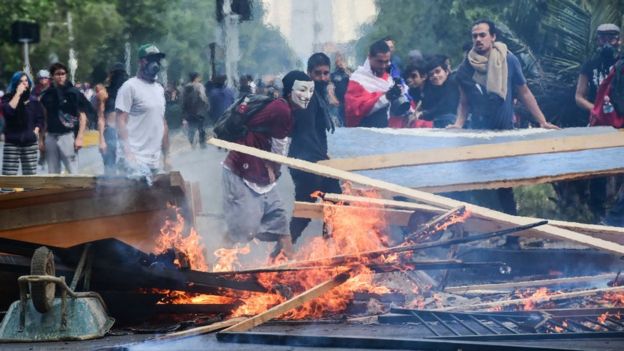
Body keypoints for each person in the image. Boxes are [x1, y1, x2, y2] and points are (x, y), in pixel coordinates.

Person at [449, 19, 559, 223]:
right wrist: (458, 124)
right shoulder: (465, 67)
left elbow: (524, 92)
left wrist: (542, 121)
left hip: (503, 131)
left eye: (483, 35)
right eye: (475, 36)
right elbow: (464, 102)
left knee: (503, 185)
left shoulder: (507, 60)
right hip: (478, 134)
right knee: (475, 185)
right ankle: (479, 230)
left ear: (493, 37)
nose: (478, 39)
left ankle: (511, 234)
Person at [222, 70, 314, 259]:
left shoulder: (286, 109)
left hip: (262, 176)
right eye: (302, 90)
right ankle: (219, 260)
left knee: (280, 222)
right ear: (289, 92)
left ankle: (291, 267)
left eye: (310, 91)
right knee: (242, 230)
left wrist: (271, 169)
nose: (307, 96)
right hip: (241, 171)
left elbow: (274, 146)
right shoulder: (282, 110)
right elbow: (279, 149)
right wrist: (275, 168)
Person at [288, 53, 342, 244]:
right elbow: (305, 130)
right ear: (309, 73)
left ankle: (328, 243)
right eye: (317, 73)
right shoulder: (307, 93)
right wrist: (320, 161)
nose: (322, 77)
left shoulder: (318, 95)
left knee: (335, 202)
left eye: (326, 73)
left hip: (314, 158)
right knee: (304, 212)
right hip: (306, 161)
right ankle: (280, 253)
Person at [115, 44, 169, 175]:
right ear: (140, 62)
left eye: (157, 59)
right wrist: (128, 153)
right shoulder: (129, 87)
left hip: (153, 161)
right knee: (130, 196)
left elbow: (162, 123)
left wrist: (167, 156)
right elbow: (120, 121)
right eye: (150, 59)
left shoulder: (159, 89)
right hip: (134, 160)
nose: (155, 63)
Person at [40, 62, 89, 174]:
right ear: (52, 76)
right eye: (58, 74)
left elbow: (82, 116)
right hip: (51, 136)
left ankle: (74, 192)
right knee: (52, 172)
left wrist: (80, 137)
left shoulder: (74, 93)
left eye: (63, 73)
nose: (61, 76)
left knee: (73, 171)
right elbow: (45, 118)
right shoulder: (47, 95)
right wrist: (41, 140)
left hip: (67, 136)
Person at [344, 40, 403, 128]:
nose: (383, 66)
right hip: (364, 133)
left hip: (386, 133)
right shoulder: (357, 80)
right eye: (379, 61)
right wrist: (386, 97)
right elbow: (355, 112)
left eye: (386, 61)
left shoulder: (390, 79)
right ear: (369, 57)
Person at [1, 72, 44, 177]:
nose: (24, 83)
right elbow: (8, 111)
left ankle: (30, 194)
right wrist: (17, 94)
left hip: (30, 141)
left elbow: (40, 118)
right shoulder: (7, 98)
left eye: (26, 81)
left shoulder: (33, 100)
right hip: (12, 141)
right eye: (20, 81)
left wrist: (36, 130)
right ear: (15, 83)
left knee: (30, 177)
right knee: (8, 177)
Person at [575, 23, 621, 118]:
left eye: (611, 39)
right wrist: (595, 109)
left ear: (618, 41)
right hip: (597, 120)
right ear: (598, 41)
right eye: (603, 39)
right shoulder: (590, 64)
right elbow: (579, 96)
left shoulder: (622, 63)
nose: (607, 43)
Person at [96, 63, 128, 175]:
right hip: (110, 131)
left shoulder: (130, 92)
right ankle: (111, 192)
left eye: (121, 74)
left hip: (126, 132)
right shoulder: (104, 93)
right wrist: (101, 140)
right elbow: (100, 117)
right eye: (116, 74)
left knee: (127, 169)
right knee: (110, 170)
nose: (119, 77)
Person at [420, 55, 460, 128]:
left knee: (447, 118)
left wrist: (422, 114)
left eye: (438, 71)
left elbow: (446, 107)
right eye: (431, 74)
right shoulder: (432, 87)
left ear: (446, 71)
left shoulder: (453, 82)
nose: (435, 76)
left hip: (458, 121)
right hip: (444, 119)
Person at [181, 72, 210, 148]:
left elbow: (183, 101)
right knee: (201, 130)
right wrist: (207, 105)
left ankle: (192, 145)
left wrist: (184, 113)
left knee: (191, 130)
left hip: (189, 113)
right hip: (199, 112)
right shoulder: (199, 86)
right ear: (196, 78)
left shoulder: (185, 87)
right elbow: (203, 97)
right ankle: (202, 147)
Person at [330, 52, 351, 126]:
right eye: (338, 61)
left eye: (341, 60)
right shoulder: (333, 75)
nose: (340, 62)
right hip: (338, 103)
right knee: (339, 122)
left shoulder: (350, 73)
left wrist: (346, 70)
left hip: (349, 103)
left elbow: (355, 81)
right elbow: (330, 87)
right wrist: (333, 98)